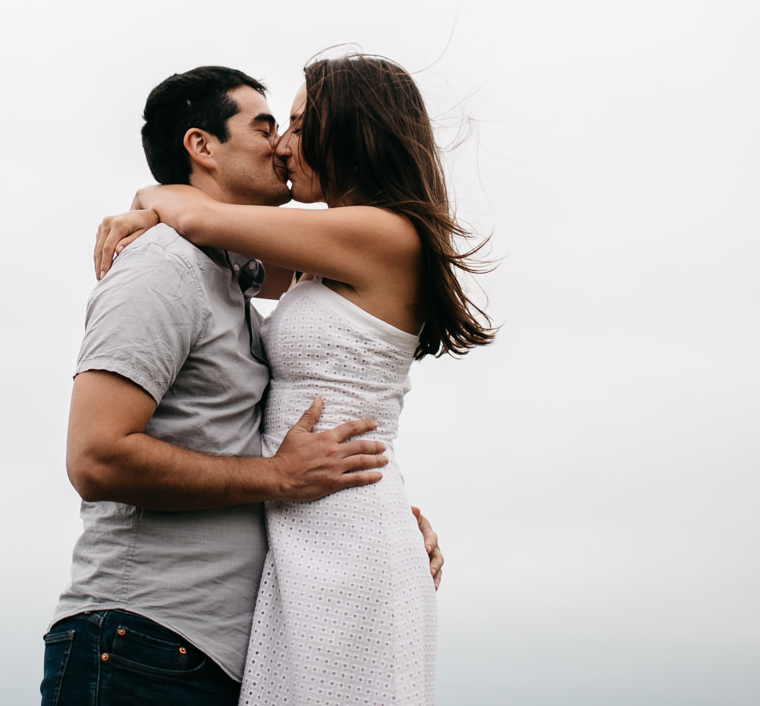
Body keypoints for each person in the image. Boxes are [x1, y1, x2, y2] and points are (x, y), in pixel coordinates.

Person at [92, 53, 494, 706]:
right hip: (305, 533)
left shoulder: (380, 233)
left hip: (343, 533)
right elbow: (216, 253)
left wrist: (146, 203)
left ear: (352, 133)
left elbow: (198, 221)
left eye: (301, 125)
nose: (283, 146)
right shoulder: (323, 256)